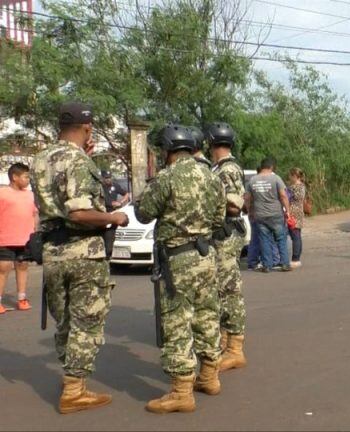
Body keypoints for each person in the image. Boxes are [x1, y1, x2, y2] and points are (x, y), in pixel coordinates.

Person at [30, 101, 129, 414]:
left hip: (53, 251)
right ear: (87, 127)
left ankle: (70, 375)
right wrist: (114, 218)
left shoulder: (39, 158)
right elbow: (79, 212)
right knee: (87, 320)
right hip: (82, 251)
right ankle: (74, 390)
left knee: (65, 320)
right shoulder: (79, 161)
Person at [135, 124, 226, 414]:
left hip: (178, 258)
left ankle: (181, 392)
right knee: (208, 315)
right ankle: (210, 377)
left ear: (167, 151)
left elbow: (143, 213)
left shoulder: (167, 177)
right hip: (206, 255)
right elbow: (219, 218)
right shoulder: (211, 176)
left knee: (176, 322)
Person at [206, 122, 248, 373]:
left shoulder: (227, 169)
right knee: (221, 291)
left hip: (225, 235)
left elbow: (234, 205)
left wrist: (210, 201)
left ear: (211, 143)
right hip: (222, 235)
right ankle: (225, 341)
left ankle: (235, 349)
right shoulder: (220, 168)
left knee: (229, 291)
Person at [0, 163, 37, 313]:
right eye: (25, 176)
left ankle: (22, 298)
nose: (28, 179)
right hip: (5, 239)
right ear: (15, 177)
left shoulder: (30, 195)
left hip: (25, 239)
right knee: (3, 268)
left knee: (22, 267)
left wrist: (35, 233)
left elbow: (34, 215)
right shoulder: (2, 193)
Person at [245, 157, 292, 273]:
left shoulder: (252, 180)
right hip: (276, 214)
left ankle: (267, 265)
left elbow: (247, 198)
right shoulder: (276, 178)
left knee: (264, 240)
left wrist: (250, 211)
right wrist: (287, 211)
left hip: (260, 215)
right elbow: (283, 196)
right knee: (281, 239)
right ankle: (285, 264)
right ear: (271, 167)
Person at [287, 167, 307, 268]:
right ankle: (297, 257)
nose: (289, 177)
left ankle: (295, 258)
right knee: (297, 235)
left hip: (293, 213)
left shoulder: (294, 187)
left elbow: (289, 198)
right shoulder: (302, 186)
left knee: (295, 236)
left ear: (295, 176)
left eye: (290, 175)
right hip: (298, 212)